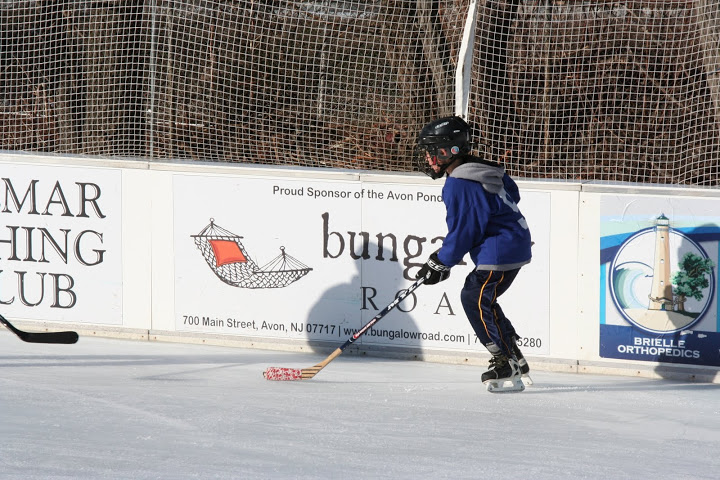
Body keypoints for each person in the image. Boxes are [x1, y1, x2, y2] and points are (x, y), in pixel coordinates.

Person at [415, 115, 532, 392]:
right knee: (484, 299)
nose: (429, 159)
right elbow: (512, 195)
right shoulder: (480, 169)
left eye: (433, 152)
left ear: (450, 150)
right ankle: (514, 356)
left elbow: (465, 231)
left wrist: (441, 262)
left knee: (473, 297)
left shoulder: (459, 183)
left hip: (500, 249)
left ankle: (503, 360)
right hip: (513, 242)